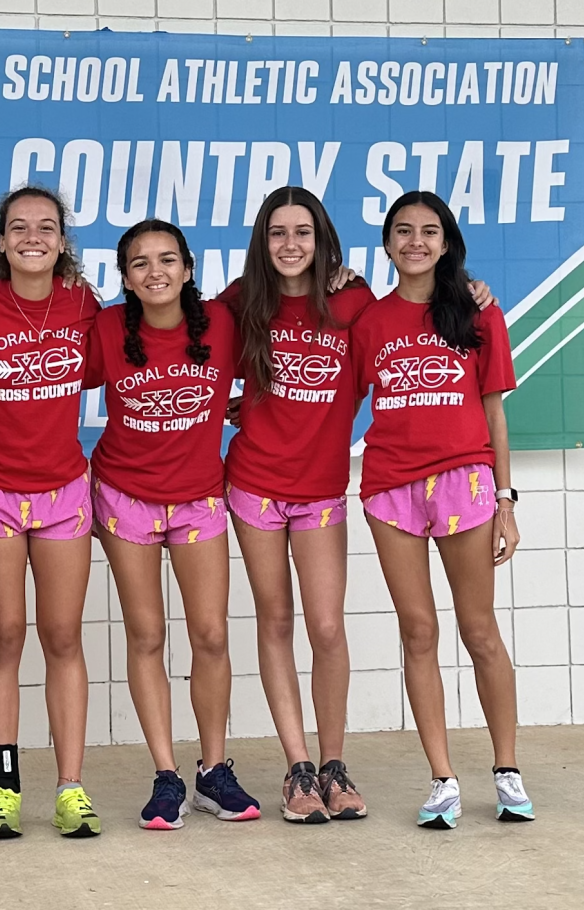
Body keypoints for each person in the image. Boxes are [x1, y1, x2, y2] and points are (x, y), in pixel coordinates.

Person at [351, 190, 530, 829]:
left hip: (465, 483)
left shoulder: (479, 314)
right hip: (390, 490)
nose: (416, 242)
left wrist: (505, 502)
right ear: (388, 243)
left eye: (429, 231)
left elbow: (494, 412)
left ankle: (507, 770)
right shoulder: (367, 322)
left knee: (479, 630)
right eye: (403, 231)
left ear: (447, 242)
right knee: (418, 631)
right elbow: (323, 395)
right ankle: (443, 779)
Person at [85, 219, 260, 831]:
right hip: (124, 496)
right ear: (126, 278)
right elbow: (39, 381)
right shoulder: (104, 329)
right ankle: (166, 776)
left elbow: (295, 310)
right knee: (147, 635)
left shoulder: (222, 322)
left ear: (188, 268)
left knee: (210, 635)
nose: (154, 272)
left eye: (166, 260)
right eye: (139, 263)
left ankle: (213, 770)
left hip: (198, 499)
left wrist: (347, 279)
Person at [0, 186, 102, 839]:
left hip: (65, 491)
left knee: (63, 636)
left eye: (46, 226)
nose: (32, 236)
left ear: (62, 239)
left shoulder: (82, 305)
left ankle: (70, 787)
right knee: (4, 635)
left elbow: (163, 338)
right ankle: (3, 787)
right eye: (19, 226)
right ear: (2, 240)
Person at [218, 187, 374, 823]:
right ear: (263, 240)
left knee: (327, 626)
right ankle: (298, 769)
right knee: (275, 619)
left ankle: (335, 764)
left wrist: (471, 289)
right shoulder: (241, 300)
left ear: (322, 238)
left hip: (320, 489)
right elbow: (178, 335)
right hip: (253, 483)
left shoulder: (353, 300)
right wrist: (232, 406)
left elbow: (413, 319)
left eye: (302, 232)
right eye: (277, 232)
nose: (290, 245)